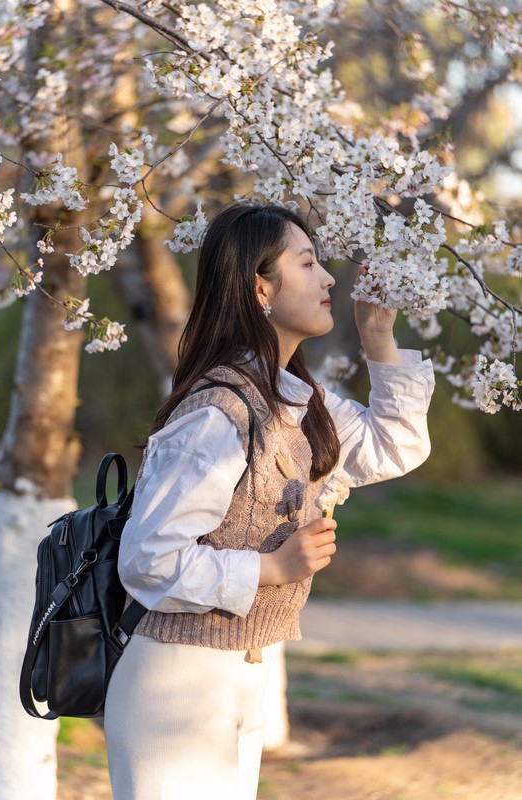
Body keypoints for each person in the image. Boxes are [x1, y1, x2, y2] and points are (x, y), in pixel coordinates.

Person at [104, 201, 435, 800]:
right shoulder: (217, 412)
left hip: (243, 679)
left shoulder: (294, 400)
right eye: (307, 263)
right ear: (262, 286)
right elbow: (147, 558)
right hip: (178, 688)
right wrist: (272, 568)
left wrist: (378, 338)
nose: (329, 277)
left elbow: (395, 447)